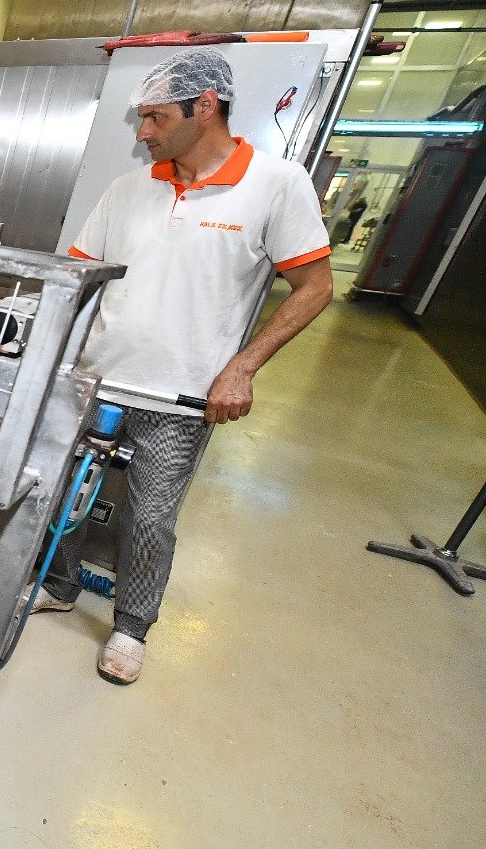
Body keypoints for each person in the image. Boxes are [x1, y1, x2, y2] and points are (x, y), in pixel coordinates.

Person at [35, 48, 334, 685]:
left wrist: (242, 369)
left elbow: (315, 288)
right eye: (141, 117)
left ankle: (131, 626)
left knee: (150, 516)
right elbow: (78, 279)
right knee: (61, 490)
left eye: (155, 117)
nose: (142, 132)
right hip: (98, 377)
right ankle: (57, 582)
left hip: (182, 395)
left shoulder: (277, 184)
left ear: (205, 107)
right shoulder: (127, 190)